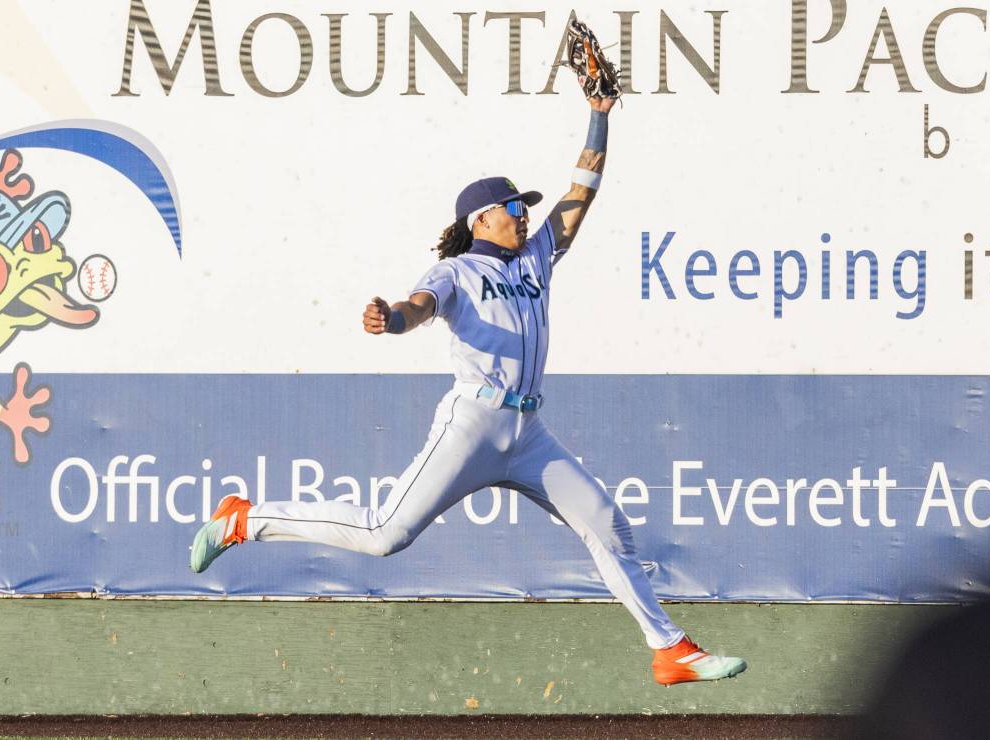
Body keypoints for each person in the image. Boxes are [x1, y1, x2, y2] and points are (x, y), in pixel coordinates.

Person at [190, 95, 746, 686]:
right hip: (473, 424)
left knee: (606, 523)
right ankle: (243, 520)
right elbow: (419, 306)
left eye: (525, 206)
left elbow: (580, 194)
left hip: (527, 432)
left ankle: (668, 648)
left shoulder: (536, 258)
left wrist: (599, 113)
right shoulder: (456, 272)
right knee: (385, 536)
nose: (524, 214)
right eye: (513, 206)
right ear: (481, 219)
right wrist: (394, 318)